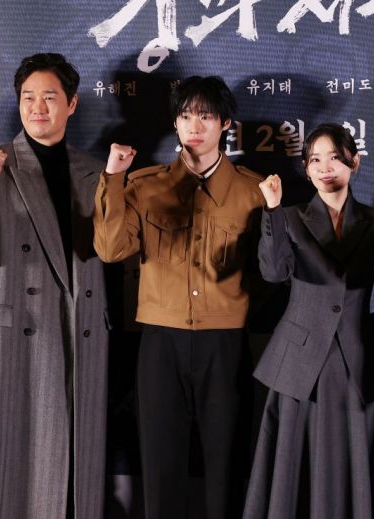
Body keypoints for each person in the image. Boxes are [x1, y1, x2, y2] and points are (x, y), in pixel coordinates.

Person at [0, 53, 110, 519]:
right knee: (7, 464)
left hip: (80, 329)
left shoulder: (94, 171)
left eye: (50, 98)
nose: (38, 107)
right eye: (28, 98)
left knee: (73, 468)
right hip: (20, 329)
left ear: (72, 104)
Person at [93, 75, 263, 519]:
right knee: (160, 465)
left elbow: (273, 272)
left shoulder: (253, 190)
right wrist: (112, 179)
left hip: (224, 343)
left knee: (225, 468)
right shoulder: (145, 185)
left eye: (206, 115)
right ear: (174, 122)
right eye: (186, 115)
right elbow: (111, 249)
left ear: (225, 122)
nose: (195, 125)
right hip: (160, 342)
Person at [243, 124, 374, 519]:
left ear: (355, 162)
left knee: (360, 467)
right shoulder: (289, 217)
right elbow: (274, 273)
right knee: (294, 470)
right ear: (306, 170)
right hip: (300, 366)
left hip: (358, 365)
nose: (325, 167)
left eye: (334, 157)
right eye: (315, 160)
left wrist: (369, 334)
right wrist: (272, 210)